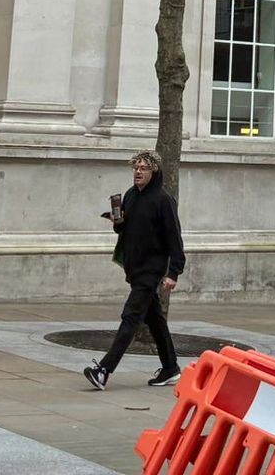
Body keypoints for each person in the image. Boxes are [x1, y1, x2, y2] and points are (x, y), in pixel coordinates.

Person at [84, 150, 185, 390]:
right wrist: (117, 222)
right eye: (136, 168)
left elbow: (175, 239)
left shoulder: (163, 200)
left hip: (151, 270)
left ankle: (104, 370)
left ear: (154, 172)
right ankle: (170, 368)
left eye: (143, 168)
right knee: (155, 320)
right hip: (134, 268)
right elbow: (124, 231)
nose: (138, 172)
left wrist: (173, 273)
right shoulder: (130, 195)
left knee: (130, 317)